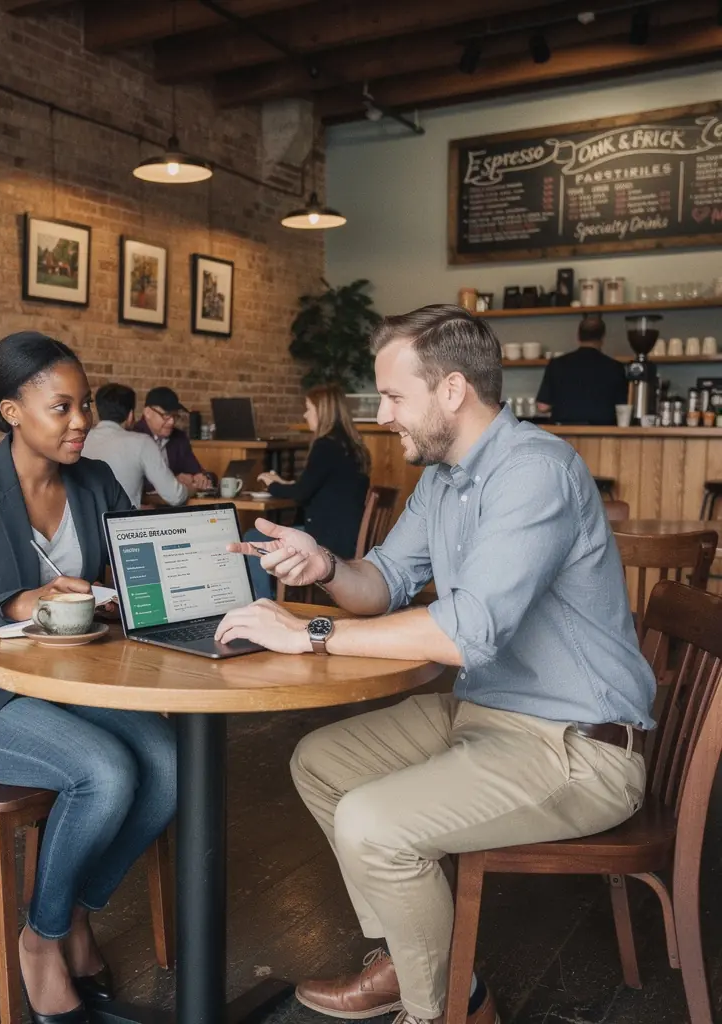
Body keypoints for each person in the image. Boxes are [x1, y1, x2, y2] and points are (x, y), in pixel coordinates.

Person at [216, 305, 654, 1024]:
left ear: (452, 390)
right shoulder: (444, 478)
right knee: (321, 763)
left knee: (371, 823)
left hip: (579, 747)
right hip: (489, 717)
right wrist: (324, 564)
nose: (382, 414)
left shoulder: (535, 470)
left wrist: (312, 635)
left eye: (393, 395)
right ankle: (411, 960)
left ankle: (448, 1008)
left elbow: (467, 633)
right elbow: (381, 581)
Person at [0, 332, 177, 1023]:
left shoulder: (95, 482)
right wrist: (18, 603)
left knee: (170, 766)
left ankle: (71, 909)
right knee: (105, 771)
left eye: (84, 405)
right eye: (62, 407)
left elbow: (136, 573)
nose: (81, 422)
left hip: (70, 684)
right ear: (12, 411)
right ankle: (42, 942)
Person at [245, 384, 370, 599]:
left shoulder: (325, 445)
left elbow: (301, 493)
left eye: (308, 409)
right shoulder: (352, 445)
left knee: (252, 536)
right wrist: (284, 482)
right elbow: (318, 486)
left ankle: (265, 600)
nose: (305, 415)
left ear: (322, 412)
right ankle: (275, 594)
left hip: (327, 538)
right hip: (347, 534)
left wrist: (271, 484)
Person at [83, 383, 188, 508]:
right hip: (123, 524)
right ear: (130, 415)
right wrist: (189, 489)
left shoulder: (82, 439)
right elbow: (175, 496)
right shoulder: (142, 442)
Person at [536, 314, 628, 425]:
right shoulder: (615, 367)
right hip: (604, 434)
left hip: (563, 433)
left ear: (578, 336)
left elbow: (543, 406)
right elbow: (623, 408)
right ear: (602, 338)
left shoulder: (557, 364)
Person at [133, 386, 213, 491]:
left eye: (175, 416)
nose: (171, 422)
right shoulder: (133, 437)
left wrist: (201, 478)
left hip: (177, 504)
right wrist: (172, 481)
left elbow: (196, 470)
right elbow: (132, 482)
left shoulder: (179, 438)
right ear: (148, 413)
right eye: (166, 415)